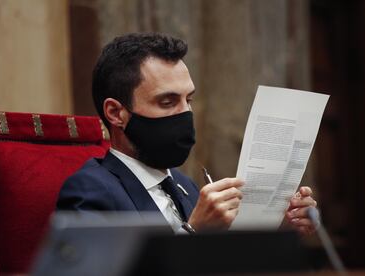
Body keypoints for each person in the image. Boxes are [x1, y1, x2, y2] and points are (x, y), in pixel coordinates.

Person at [56, 33, 317, 234]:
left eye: (188, 100)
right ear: (115, 113)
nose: (185, 114)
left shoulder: (187, 186)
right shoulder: (90, 190)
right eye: (168, 102)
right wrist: (193, 231)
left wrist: (274, 224)